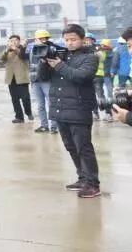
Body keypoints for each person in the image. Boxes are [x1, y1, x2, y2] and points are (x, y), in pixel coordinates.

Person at [41, 23, 101, 198]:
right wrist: (45, 63)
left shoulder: (90, 57)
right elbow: (42, 78)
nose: (69, 43)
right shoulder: (61, 56)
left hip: (79, 109)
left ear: (82, 39)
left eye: (73, 39)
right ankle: (82, 178)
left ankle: (93, 184)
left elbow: (81, 76)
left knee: (83, 147)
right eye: (66, 40)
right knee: (71, 147)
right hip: (60, 109)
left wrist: (59, 65)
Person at [28, 30, 58, 134]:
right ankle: (44, 125)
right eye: (40, 39)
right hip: (35, 80)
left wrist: (46, 61)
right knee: (40, 105)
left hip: (46, 80)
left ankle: (54, 126)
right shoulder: (32, 49)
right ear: (36, 39)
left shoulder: (51, 49)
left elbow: (54, 63)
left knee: (51, 103)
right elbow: (28, 61)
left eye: (44, 38)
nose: (42, 40)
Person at [1, 35, 32, 123]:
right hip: (11, 78)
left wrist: (16, 49)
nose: (13, 42)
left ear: (19, 41)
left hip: (22, 78)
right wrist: (7, 50)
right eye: (11, 41)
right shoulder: (7, 51)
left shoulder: (24, 49)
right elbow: (2, 59)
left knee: (25, 98)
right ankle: (19, 117)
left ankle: (28, 112)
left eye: (15, 40)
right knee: (15, 99)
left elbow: (24, 56)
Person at [86, 34, 110, 122]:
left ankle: (108, 113)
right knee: (91, 96)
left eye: (88, 39)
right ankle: (95, 113)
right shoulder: (84, 50)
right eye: (85, 39)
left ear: (93, 40)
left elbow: (101, 58)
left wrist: (94, 51)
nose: (86, 41)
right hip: (88, 76)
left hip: (98, 76)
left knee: (100, 96)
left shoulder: (99, 49)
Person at [101, 39, 116, 111]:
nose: (103, 47)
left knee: (110, 91)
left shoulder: (112, 53)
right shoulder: (101, 53)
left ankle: (110, 107)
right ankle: (108, 106)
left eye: (104, 46)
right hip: (103, 74)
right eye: (102, 45)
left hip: (108, 74)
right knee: (106, 91)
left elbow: (114, 63)